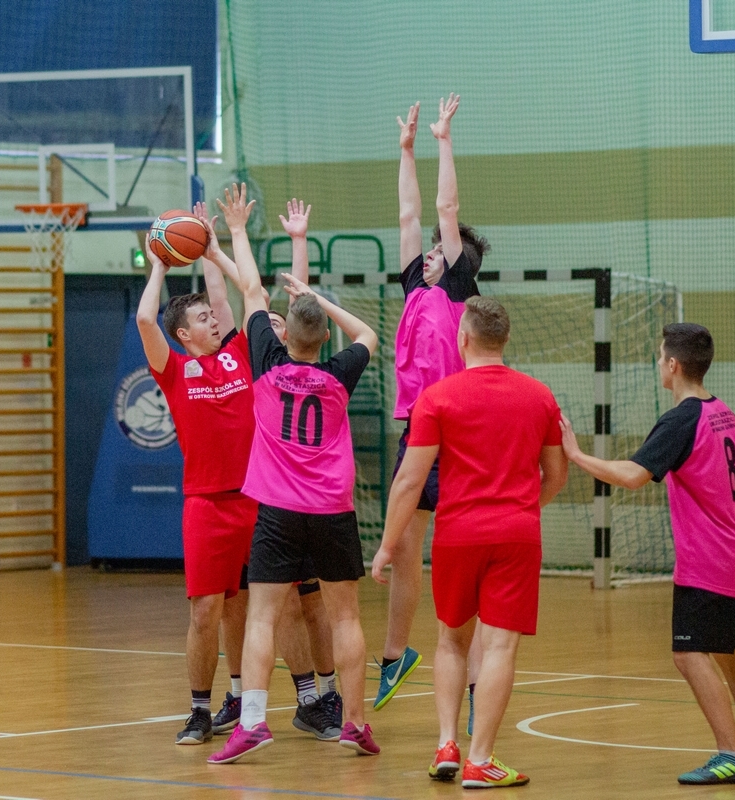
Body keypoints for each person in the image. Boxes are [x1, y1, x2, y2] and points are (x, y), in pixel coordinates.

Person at [559, 322, 735, 786]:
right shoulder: (723, 412)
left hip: (708, 559)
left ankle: (731, 753)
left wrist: (576, 456)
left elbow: (633, 475)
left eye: (660, 356)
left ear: (673, 365)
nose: (658, 363)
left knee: (689, 653)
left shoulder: (681, 419)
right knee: (729, 651)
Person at [208, 201, 381, 764]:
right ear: (325, 335)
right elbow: (367, 332)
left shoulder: (267, 364)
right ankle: (354, 723)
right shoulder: (339, 374)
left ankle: (253, 722)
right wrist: (316, 299)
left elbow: (253, 290)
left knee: (262, 616)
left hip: (278, 511)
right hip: (332, 511)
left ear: (289, 335)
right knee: (346, 617)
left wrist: (236, 230)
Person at [373, 296, 569, 788]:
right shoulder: (540, 396)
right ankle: (481, 759)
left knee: (450, 641)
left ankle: (446, 744)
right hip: (516, 535)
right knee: (499, 647)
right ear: (505, 339)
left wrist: (388, 545)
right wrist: (523, 509)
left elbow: (409, 482)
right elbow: (556, 474)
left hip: (456, 534)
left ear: (462, 339)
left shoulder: (436, 398)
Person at [375, 93, 492, 715]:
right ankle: (397, 654)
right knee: (402, 550)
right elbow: (409, 214)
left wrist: (443, 141)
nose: (428, 251)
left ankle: (473, 685)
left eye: (440, 249)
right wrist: (406, 150)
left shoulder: (457, 288)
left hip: (460, 435)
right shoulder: (414, 288)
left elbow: (445, 209)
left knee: (461, 559)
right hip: (418, 430)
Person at [136, 193, 259, 746]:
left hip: (254, 498)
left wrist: (213, 249)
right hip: (207, 504)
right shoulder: (175, 369)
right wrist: (159, 264)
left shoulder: (239, 354)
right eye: (203, 318)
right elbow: (146, 317)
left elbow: (241, 294)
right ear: (183, 334)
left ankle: (243, 696)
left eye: (213, 316)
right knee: (205, 611)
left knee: (244, 607)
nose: (212, 319)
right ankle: (199, 710)